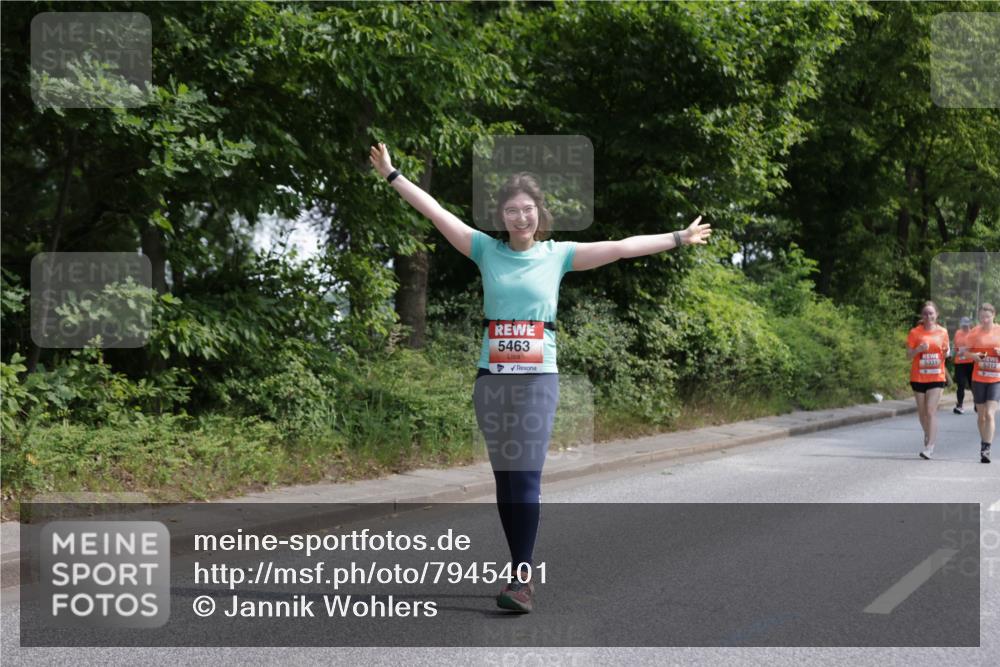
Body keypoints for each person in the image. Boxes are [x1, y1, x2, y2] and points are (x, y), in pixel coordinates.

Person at [370, 142, 711, 612]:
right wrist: (392, 175)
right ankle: (516, 566)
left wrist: (676, 238)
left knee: (526, 476)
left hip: (536, 380)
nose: (520, 218)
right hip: (491, 379)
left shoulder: (558, 254)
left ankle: (522, 579)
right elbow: (435, 212)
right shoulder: (484, 250)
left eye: (527, 209)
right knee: (505, 481)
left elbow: (619, 249)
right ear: (502, 216)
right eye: (512, 211)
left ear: (539, 213)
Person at [906, 301, 950, 459]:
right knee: (922, 413)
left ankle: (930, 446)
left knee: (931, 411)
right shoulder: (915, 333)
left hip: (936, 376)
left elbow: (945, 352)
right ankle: (927, 432)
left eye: (931, 313)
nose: (928, 316)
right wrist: (918, 349)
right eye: (925, 313)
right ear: (922, 316)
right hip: (918, 376)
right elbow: (908, 355)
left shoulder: (943, 332)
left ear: (936, 315)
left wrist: (946, 353)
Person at [962, 303, 999, 463]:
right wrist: (976, 356)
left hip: (996, 379)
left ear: (993, 315)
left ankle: (986, 448)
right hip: (979, 378)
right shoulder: (974, 333)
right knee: (982, 416)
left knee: (990, 414)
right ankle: (983, 441)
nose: (984, 320)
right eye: (982, 317)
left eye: (987, 317)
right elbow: (964, 352)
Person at [953, 316, 976, 414]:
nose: (965, 328)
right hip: (959, 363)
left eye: (966, 326)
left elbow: (977, 348)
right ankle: (960, 405)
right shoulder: (957, 333)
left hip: (970, 362)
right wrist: (958, 351)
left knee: (973, 385)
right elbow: (955, 348)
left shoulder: (973, 334)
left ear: (969, 325)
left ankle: (977, 404)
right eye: (963, 326)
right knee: (961, 384)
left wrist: (967, 350)